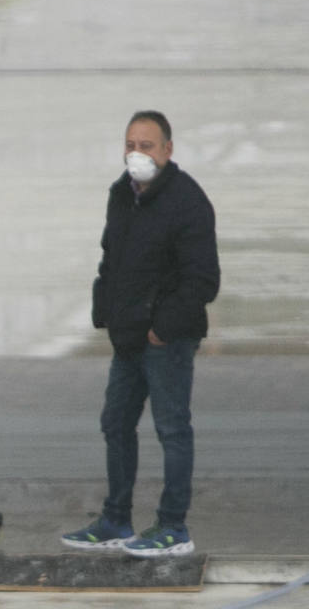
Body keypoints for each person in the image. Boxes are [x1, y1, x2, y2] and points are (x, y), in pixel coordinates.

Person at [62, 110, 219, 557]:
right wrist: (104, 310)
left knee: (172, 429)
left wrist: (162, 328)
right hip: (127, 337)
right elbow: (111, 257)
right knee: (115, 423)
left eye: (147, 145)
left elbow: (203, 279)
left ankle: (173, 527)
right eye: (131, 144)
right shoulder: (121, 195)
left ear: (168, 150)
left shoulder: (187, 201)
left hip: (166, 340)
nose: (137, 154)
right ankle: (116, 519)